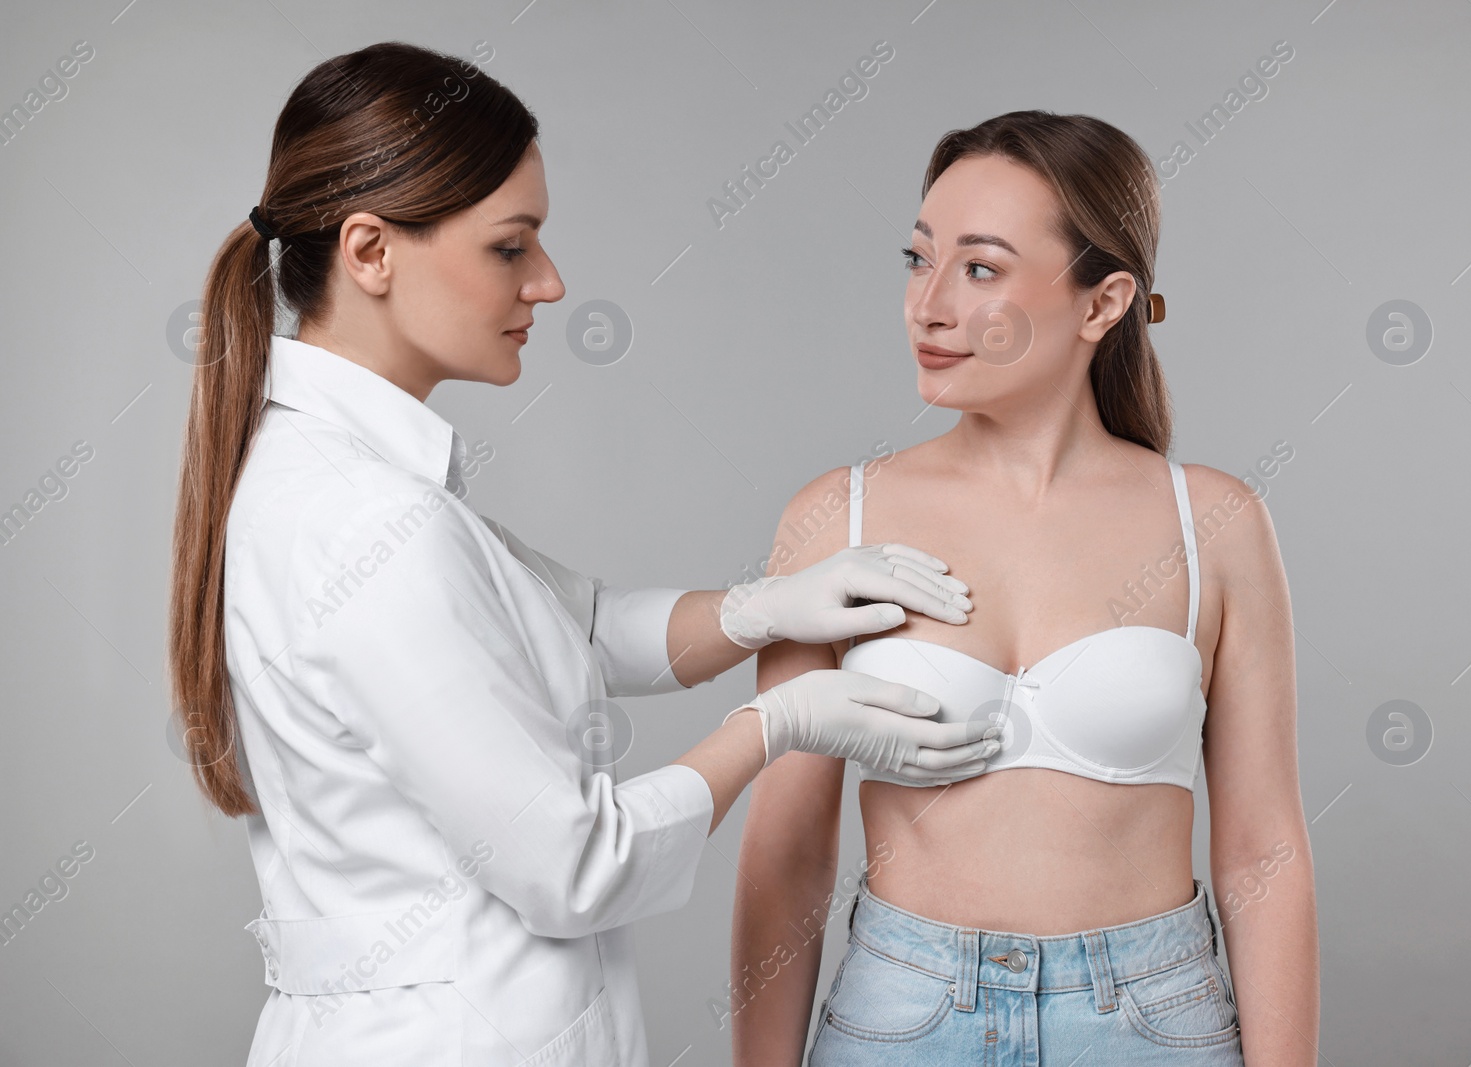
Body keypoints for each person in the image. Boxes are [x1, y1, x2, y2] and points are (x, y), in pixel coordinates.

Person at [164, 42, 1005, 1067]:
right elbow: (574, 865)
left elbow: (587, 623)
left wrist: (765, 606)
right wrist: (772, 723)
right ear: (371, 251)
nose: (551, 283)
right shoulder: (364, 523)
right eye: (511, 247)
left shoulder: (351, 482)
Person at [731, 111, 1319, 1065]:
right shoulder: (831, 520)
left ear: (1103, 301)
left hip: (1151, 1022)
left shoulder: (1212, 524)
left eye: (979, 269)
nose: (928, 306)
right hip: (898, 1016)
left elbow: (1263, 851)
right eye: (918, 259)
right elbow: (789, 851)